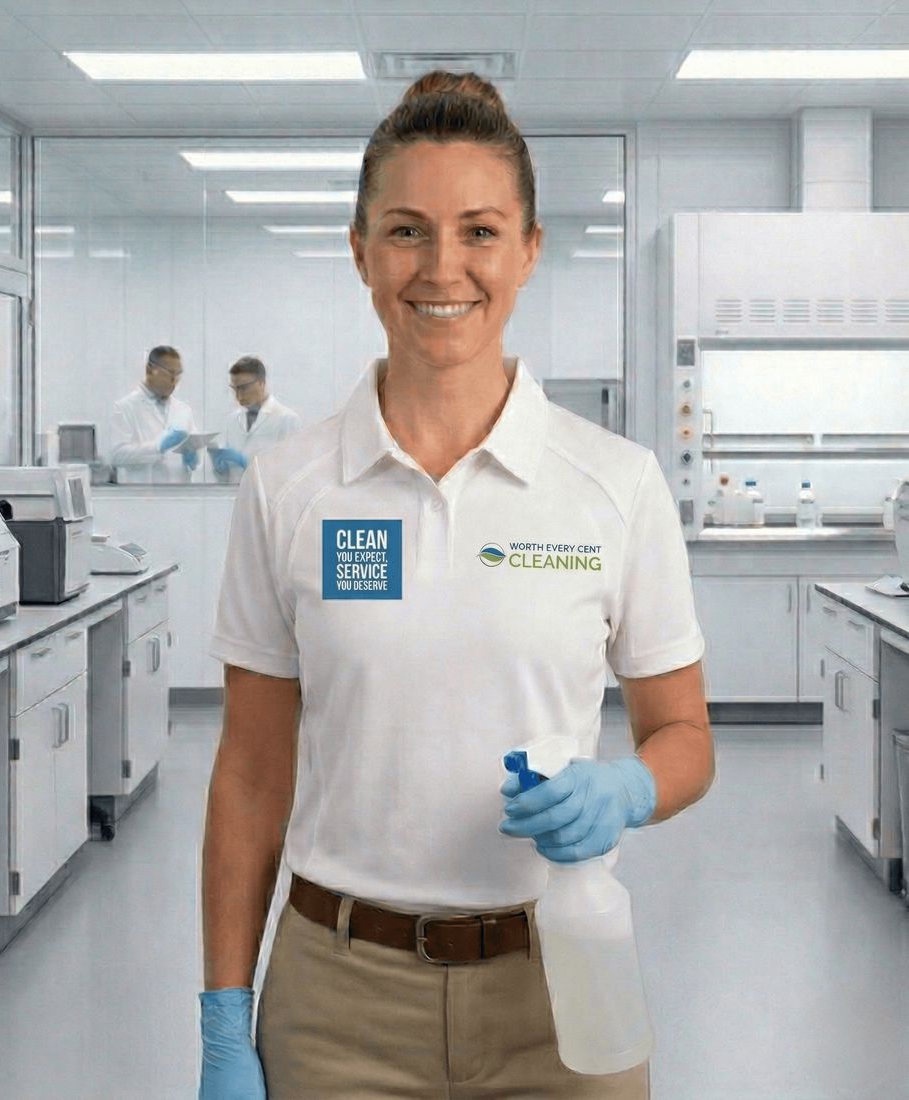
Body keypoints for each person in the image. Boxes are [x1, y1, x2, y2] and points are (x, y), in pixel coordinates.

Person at [199, 71, 714, 1098]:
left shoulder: (612, 483)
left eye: (479, 231)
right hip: (336, 999)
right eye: (404, 230)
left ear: (527, 248)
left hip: (559, 983)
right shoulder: (288, 485)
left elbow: (683, 735)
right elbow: (252, 775)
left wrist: (627, 789)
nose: (442, 268)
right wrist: (221, 1009)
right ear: (359, 251)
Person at [108, 346, 201, 483]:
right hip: (143, 497)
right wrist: (158, 447)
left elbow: (194, 452)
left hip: (181, 496)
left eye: (178, 374)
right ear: (150, 370)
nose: (174, 380)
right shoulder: (124, 408)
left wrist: (193, 456)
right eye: (170, 373)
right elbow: (117, 456)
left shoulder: (183, 410)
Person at [210, 356, 301, 483]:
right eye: (234, 389)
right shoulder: (231, 420)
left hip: (266, 499)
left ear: (261, 383)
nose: (238, 396)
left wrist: (245, 462)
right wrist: (219, 468)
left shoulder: (287, 419)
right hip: (234, 498)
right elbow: (226, 478)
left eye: (244, 388)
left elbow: (288, 471)